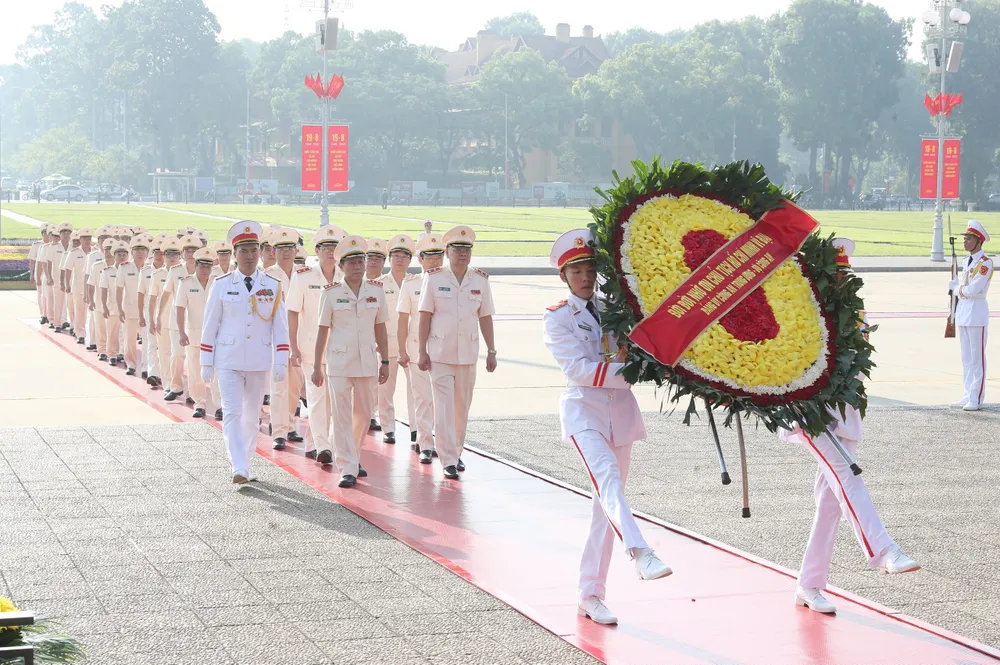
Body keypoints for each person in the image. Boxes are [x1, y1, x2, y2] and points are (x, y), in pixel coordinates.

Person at [782, 237, 919, 614]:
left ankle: (809, 584)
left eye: (845, 274)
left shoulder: (855, 311)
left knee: (829, 504)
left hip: (844, 412)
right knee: (847, 475)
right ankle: (883, 550)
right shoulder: (804, 309)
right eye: (835, 274)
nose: (841, 280)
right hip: (811, 413)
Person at [543, 229, 672, 626]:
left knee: (604, 508)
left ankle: (590, 595)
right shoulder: (558, 317)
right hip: (585, 413)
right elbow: (578, 370)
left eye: (589, 270)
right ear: (564, 277)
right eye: (576, 271)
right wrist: (631, 372)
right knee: (609, 483)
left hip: (621, 416)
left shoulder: (616, 308)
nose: (584, 277)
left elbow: (641, 348)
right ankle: (641, 552)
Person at [201, 221, 290, 485]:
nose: (249, 256)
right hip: (228, 358)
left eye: (253, 251)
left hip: (258, 360)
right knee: (231, 412)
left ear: (260, 253)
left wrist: (281, 361)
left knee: (252, 417)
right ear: (235, 254)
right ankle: (238, 465)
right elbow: (210, 325)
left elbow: (280, 327)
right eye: (244, 251)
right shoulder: (221, 284)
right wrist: (206, 361)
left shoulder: (272, 285)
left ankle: (245, 462)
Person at [417, 226, 497, 480]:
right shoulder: (434, 278)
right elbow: (424, 316)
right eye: (458, 249)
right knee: (443, 409)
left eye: (467, 250)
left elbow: (485, 317)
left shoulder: (480, 280)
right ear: (447, 252)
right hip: (440, 353)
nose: (463, 254)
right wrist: (421, 351)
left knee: (461, 408)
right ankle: (448, 460)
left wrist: (492, 350)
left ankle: (456, 452)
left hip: (468, 355)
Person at [311, 236, 390, 488]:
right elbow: (322, 330)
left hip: (366, 362)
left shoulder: (376, 291)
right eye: (352, 262)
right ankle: (346, 466)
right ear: (341, 266)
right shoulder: (331, 293)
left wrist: (385, 360)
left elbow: (380, 328)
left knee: (364, 415)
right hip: (339, 363)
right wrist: (317, 366)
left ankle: (353, 456)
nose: (357, 266)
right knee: (341, 415)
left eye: (360, 261)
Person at [287, 225, 346, 460]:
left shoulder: (347, 277)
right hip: (311, 348)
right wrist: (293, 347)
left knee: (331, 400)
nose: (330, 252)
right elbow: (292, 312)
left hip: (340, 348)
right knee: (316, 397)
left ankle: (312, 443)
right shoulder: (303, 277)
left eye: (334, 247)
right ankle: (323, 447)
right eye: (326, 247)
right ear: (317, 250)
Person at [398, 233, 444, 461]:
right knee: (423, 398)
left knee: (442, 402)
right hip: (417, 350)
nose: (434, 262)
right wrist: (401, 350)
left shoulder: (450, 282)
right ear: (420, 260)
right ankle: (426, 443)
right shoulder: (411, 284)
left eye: (438, 257)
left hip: (444, 350)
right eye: (429, 257)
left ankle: (443, 445)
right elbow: (402, 319)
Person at [264, 228, 304, 450]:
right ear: (273, 252)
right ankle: (278, 431)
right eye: (282, 249)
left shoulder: (304, 274)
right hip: (276, 338)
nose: (286, 252)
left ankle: (289, 425)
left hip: (299, 338)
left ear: (296, 250)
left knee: (295, 387)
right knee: (279, 386)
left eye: (290, 248)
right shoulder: (266, 276)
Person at [373, 234, 415, 444]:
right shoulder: (378, 284)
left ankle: (417, 429)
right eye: (396, 256)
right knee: (385, 390)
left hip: (412, 345)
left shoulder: (416, 283)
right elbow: (374, 317)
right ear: (389, 259)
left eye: (404, 256)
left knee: (416, 390)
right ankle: (388, 427)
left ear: (410, 260)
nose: (400, 260)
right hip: (387, 345)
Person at [950, 220, 993, 411]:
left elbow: (974, 289)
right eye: (965, 238)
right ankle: (968, 393)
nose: (965, 241)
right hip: (964, 312)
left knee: (977, 358)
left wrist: (957, 288)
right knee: (966, 357)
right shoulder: (966, 261)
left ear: (978, 241)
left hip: (977, 312)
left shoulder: (985, 263)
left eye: (969, 238)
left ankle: (976, 397)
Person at [176, 247, 219, 419]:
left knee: (217, 373)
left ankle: (219, 406)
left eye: (208, 266)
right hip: (194, 335)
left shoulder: (217, 282)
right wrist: (181, 332)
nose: (205, 270)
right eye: (202, 266)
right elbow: (180, 308)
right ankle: (199, 403)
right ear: (196, 265)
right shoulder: (186, 283)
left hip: (215, 336)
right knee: (195, 372)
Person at [158, 234, 200, 402]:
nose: (190, 253)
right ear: (182, 253)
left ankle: (193, 393)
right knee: (177, 355)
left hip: (197, 322)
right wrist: (158, 316)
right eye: (187, 250)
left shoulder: (204, 270)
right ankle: (176, 386)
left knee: (194, 360)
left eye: (193, 250)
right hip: (177, 322)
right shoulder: (175, 271)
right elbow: (165, 295)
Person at [149, 239, 182, 391]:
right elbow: (152, 298)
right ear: (164, 256)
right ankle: (168, 384)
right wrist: (152, 319)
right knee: (164, 352)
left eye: (175, 254)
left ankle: (177, 383)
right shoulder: (157, 275)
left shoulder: (184, 273)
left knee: (178, 354)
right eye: (169, 254)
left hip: (178, 320)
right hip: (162, 318)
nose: (172, 257)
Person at [114, 236, 148, 376]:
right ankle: (131, 364)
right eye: (137, 250)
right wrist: (119, 309)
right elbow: (119, 289)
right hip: (130, 309)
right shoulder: (124, 268)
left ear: (147, 252)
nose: (140, 253)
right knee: (130, 339)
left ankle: (146, 367)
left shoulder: (151, 268)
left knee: (148, 340)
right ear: (132, 252)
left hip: (147, 310)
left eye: (143, 250)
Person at [364, 238, 389, 433]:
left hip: (385, 338)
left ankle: (372, 414)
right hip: (364, 339)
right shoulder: (356, 281)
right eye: (370, 258)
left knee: (378, 382)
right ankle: (367, 414)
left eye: (378, 259)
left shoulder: (386, 285)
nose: (373, 262)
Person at [139, 238, 165, 382]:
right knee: (151, 343)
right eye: (157, 252)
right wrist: (141, 315)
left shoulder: (171, 271)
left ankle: (162, 373)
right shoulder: (145, 271)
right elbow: (140, 294)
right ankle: (152, 373)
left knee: (164, 347)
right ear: (152, 254)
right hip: (150, 312)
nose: (159, 255)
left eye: (162, 253)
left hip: (167, 314)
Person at [100, 241, 130, 366]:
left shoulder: (131, 270)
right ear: (114, 255)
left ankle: (123, 353)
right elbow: (103, 289)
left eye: (124, 254)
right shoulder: (108, 271)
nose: (122, 257)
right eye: (119, 254)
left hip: (128, 306)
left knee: (127, 333)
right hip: (112, 306)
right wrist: (104, 306)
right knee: (112, 332)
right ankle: (112, 354)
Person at [63, 228, 93, 344]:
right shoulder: (74, 253)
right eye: (85, 238)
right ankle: (80, 334)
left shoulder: (95, 253)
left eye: (89, 238)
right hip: (78, 286)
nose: (87, 241)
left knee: (94, 314)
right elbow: (68, 270)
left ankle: (95, 338)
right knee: (79, 312)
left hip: (93, 288)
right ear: (80, 239)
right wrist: (67, 284)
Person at [88, 238, 115, 361]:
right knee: (101, 329)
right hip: (99, 303)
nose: (108, 252)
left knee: (114, 331)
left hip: (115, 305)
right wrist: (91, 300)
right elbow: (91, 284)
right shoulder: (96, 266)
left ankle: (114, 353)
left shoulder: (120, 267)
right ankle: (102, 350)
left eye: (110, 250)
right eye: (106, 250)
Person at [28, 226, 47, 325]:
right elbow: (32, 261)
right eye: (45, 232)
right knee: (41, 294)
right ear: (42, 234)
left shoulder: (56, 244)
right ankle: (43, 314)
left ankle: (50, 315)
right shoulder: (37, 245)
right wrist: (31, 274)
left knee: (50, 295)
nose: (47, 235)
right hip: (40, 272)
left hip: (51, 273)